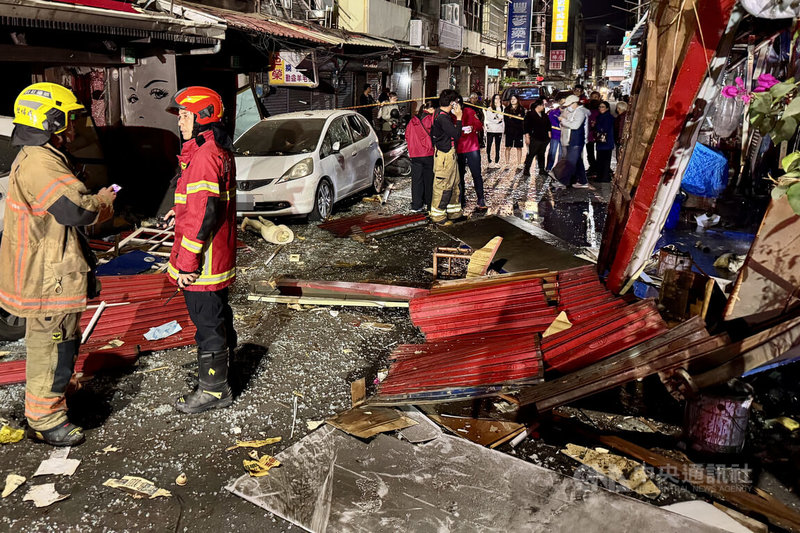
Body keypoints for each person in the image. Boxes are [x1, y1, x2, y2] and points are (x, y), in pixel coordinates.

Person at [0, 83, 115, 446]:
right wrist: (103, 200)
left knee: (58, 344)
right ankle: (46, 419)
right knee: (52, 348)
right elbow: (75, 210)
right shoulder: (41, 162)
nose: (73, 129)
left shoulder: (40, 154)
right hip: (49, 276)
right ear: (48, 121)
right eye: (68, 121)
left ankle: (54, 398)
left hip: (50, 270)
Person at [163, 86, 238, 414]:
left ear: (202, 116)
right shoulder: (210, 149)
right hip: (215, 256)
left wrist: (187, 263)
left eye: (184, 115)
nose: (180, 122)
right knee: (218, 316)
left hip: (202, 263)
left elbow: (205, 214)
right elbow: (200, 203)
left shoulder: (205, 156)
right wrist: (176, 211)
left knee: (207, 324)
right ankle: (224, 370)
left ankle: (214, 389)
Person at [430, 89, 464, 225]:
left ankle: (454, 212)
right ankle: (438, 216)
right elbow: (456, 134)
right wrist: (460, 118)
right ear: (452, 103)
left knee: (455, 184)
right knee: (442, 186)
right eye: (456, 102)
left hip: (449, 154)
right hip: (445, 156)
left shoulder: (441, 113)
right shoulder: (442, 117)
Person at [456, 96, 488, 212]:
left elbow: (480, 125)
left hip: (471, 147)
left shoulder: (469, 111)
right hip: (458, 148)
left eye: (457, 103)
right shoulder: (449, 115)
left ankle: (481, 198)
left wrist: (473, 127)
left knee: (476, 174)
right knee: (459, 176)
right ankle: (461, 198)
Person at [405, 100, 436, 212]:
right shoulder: (431, 119)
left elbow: (407, 135)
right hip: (428, 154)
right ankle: (429, 204)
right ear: (431, 109)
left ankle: (416, 205)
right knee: (429, 180)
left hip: (415, 155)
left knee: (416, 180)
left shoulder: (412, 121)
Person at [556, 94, 591, 189]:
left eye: (569, 105)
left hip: (577, 140)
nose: (568, 107)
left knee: (570, 162)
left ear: (574, 103)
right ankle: (583, 181)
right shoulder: (575, 111)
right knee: (578, 161)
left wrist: (563, 121)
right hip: (572, 140)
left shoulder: (580, 112)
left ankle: (563, 181)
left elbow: (575, 125)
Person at [522, 99, 551, 178]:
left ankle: (541, 169)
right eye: (542, 105)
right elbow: (526, 126)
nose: (543, 107)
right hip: (534, 137)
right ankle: (526, 169)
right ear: (538, 106)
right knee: (531, 153)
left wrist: (549, 134)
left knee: (542, 154)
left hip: (544, 138)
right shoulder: (530, 114)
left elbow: (548, 125)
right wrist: (527, 136)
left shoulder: (544, 115)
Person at [594, 101, 615, 183]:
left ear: (607, 108)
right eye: (600, 107)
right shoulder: (600, 116)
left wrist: (597, 126)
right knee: (600, 159)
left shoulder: (608, 117)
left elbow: (604, 128)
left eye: (602, 107)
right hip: (602, 141)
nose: (600, 108)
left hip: (606, 142)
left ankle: (604, 177)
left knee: (605, 160)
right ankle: (601, 176)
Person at [503, 94, 526, 169]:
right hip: (509, 130)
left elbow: (521, 120)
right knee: (508, 147)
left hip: (518, 131)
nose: (513, 100)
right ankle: (507, 163)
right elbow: (506, 120)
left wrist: (512, 119)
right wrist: (515, 119)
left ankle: (519, 163)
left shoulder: (521, 109)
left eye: (514, 99)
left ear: (517, 100)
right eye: (511, 99)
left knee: (519, 147)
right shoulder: (507, 109)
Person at [484, 94, 505, 168]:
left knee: (498, 146)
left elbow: (501, 117)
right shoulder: (490, 108)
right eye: (496, 98)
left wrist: (498, 109)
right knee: (489, 145)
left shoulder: (502, 108)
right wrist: (497, 120)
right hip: (491, 129)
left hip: (499, 130)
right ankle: (489, 160)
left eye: (499, 99)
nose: (497, 100)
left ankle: (497, 161)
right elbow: (490, 118)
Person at [585, 90, 602, 176]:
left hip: (599, 132)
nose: (594, 99)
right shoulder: (587, 106)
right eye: (593, 97)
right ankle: (592, 167)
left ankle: (599, 167)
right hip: (589, 133)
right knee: (590, 152)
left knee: (600, 151)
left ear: (599, 98)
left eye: (596, 97)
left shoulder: (602, 106)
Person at [546, 98, 564, 172]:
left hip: (564, 136)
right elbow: (548, 123)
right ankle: (548, 168)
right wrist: (549, 132)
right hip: (555, 135)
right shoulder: (553, 112)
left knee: (561, 154)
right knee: (552, 152)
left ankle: (558, 169)